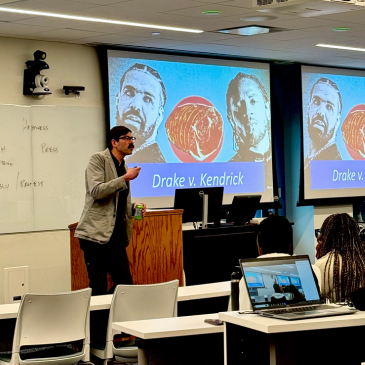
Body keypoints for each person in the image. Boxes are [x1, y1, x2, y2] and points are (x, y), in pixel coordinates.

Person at [75, 126, 146, 295]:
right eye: (126, 138)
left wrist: (132, 208)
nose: (131, 142)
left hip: (116, 238)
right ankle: (98, 320)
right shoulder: (98, 159)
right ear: (114, 142)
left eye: (132, 138)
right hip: (95, 236)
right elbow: (97, 191)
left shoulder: (123, 166)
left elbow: (116, 203)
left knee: (125, 285)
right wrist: (126, 178)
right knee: (98, 286)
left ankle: (111, 317)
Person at [239, 215, 320, 310]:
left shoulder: (244, 279)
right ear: (290, 246)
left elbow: (244, 315)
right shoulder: (313, 269)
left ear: (259, 247)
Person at [226, 73, 272, 190]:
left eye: (253, 101)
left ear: (267, 109)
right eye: (238, 106)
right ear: (231, 119)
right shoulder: (229, 171)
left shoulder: (285, 165)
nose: (247, 111)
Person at [116, 63, 167, 163]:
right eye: (129, 93)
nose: (135, 106)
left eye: (147, 99)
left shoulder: (157, 165)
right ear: (118, 101)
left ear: (159, 115)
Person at [315, 213, 365, 303]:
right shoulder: (361, 262)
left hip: (337, 316)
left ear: (328, 236)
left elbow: (314, 297)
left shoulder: (325, 264)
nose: (318, 238)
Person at [304, 77, 342, 169]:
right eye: (316, 102)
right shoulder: (308, 160)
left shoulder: (334, 166)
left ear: (337, 121)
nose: (320, 112)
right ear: (308, 108)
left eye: (329, 107)